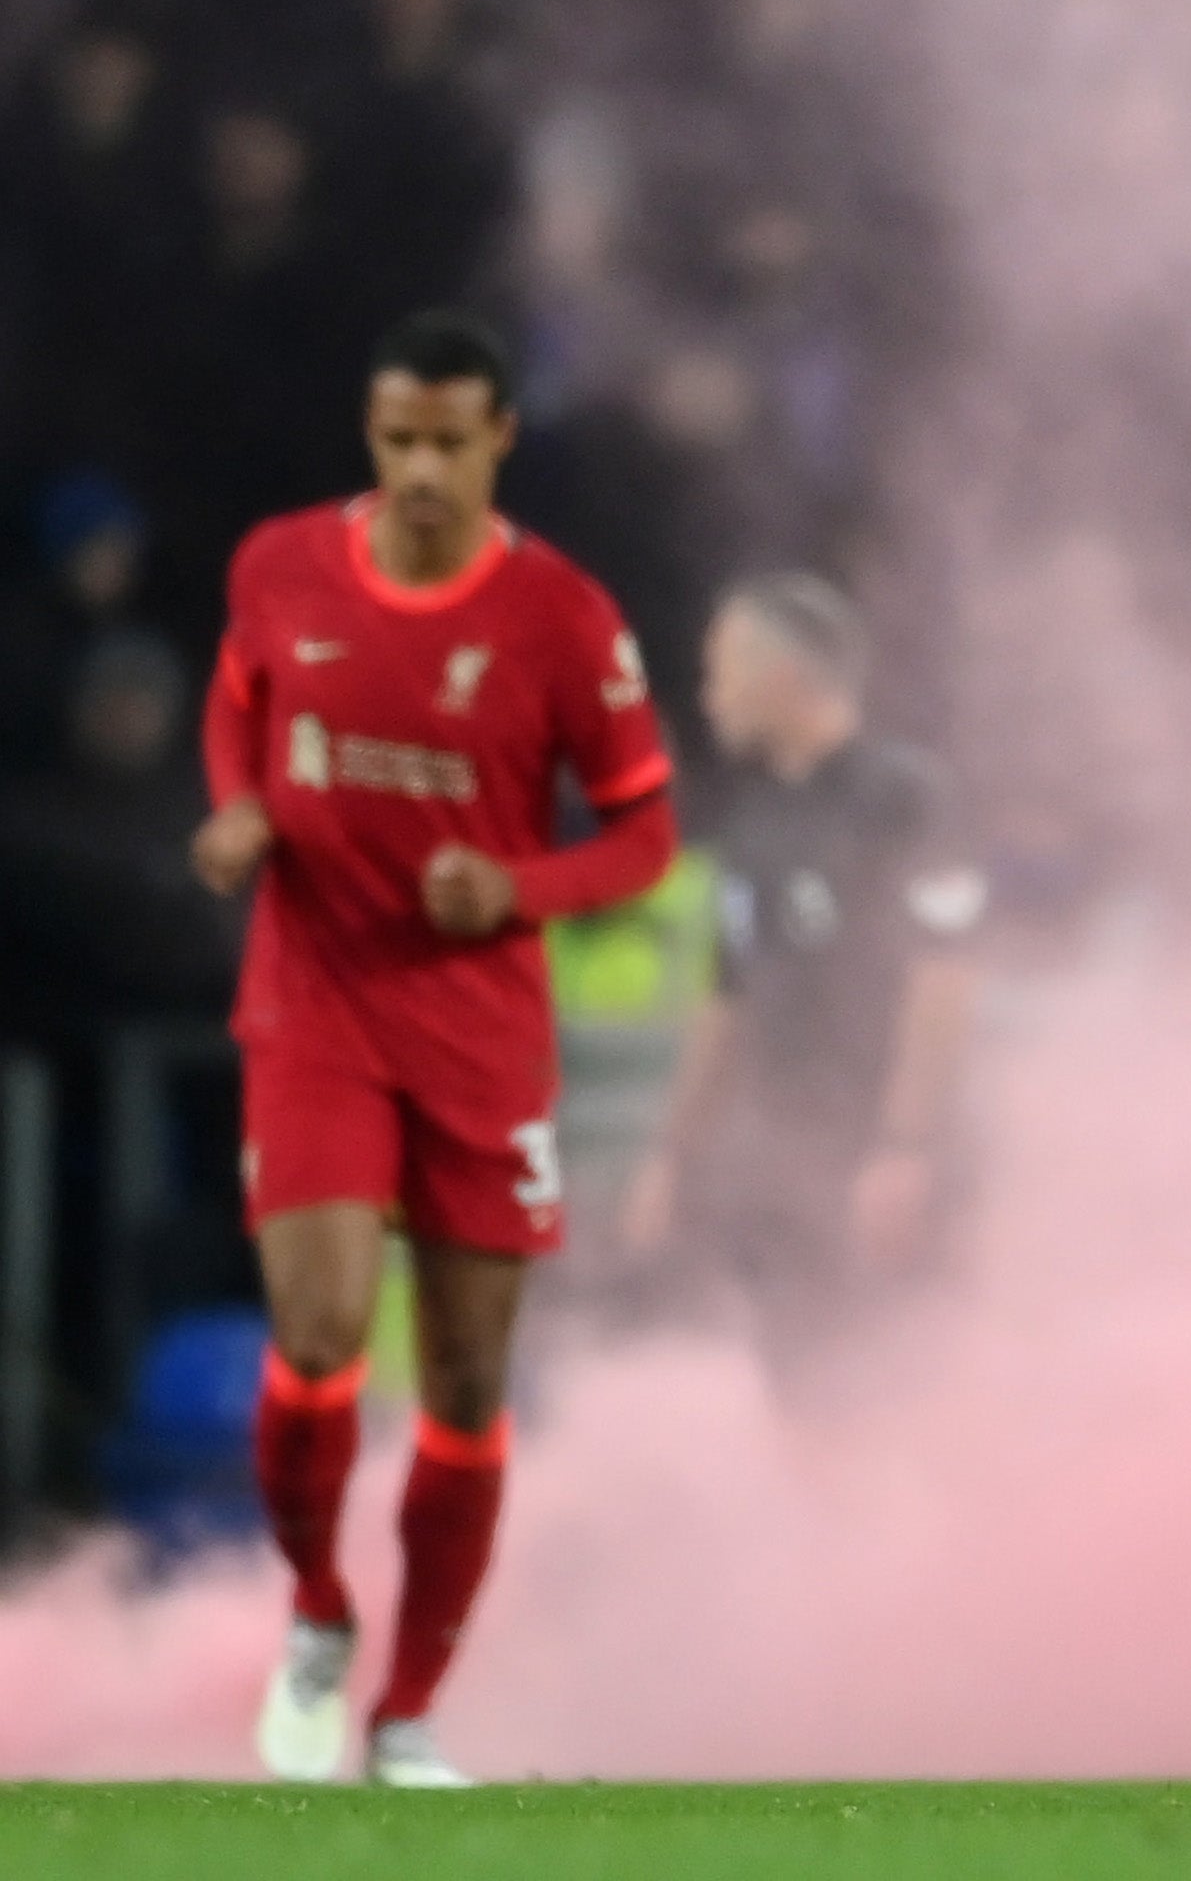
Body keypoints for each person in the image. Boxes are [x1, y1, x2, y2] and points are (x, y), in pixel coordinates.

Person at [191, 310, 679, 1787]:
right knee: (322, 1333)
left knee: (466, 1388)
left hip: (476, 1035)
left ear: (500, 441)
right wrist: (241, 809)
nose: (418, 472)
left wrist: (521, 890)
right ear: (372, 431)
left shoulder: (567, 621)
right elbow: (236, 713)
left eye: (448, 444)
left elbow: (647, 834)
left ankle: (407, 1717)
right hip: (316, 998)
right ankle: (320, 1613)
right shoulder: (279, 564)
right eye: (396, 438)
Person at [618, 573, 985, 1358]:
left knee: (903, 1389)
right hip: (788, 1166)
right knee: (803, 1392)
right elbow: (728, 999)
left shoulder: (904, 795)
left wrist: (905, 1146)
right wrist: (671, 1155)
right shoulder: (750, 822)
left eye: (723, 668)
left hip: (886, 1162)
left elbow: (944, 976)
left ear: (783, 675)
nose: (708, 693)